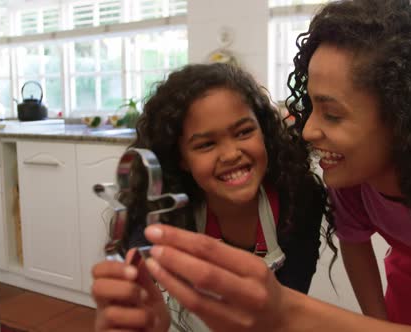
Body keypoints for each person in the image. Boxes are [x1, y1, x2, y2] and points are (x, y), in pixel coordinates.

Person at [136, 0, 411, 331]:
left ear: (408, 119)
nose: (308, 130)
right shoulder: (351, 182)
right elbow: (355, 243)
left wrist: (284, 312)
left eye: (331, 114)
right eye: (311, 108)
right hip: (408, 299)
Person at [91, 63, 332, 331]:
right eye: (206, 144)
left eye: (243, 132)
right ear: (181, 158)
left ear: (263, 130)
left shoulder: (298, 198)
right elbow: (133, 296)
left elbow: (293, 301)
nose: (230, 154)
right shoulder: (162, 209)